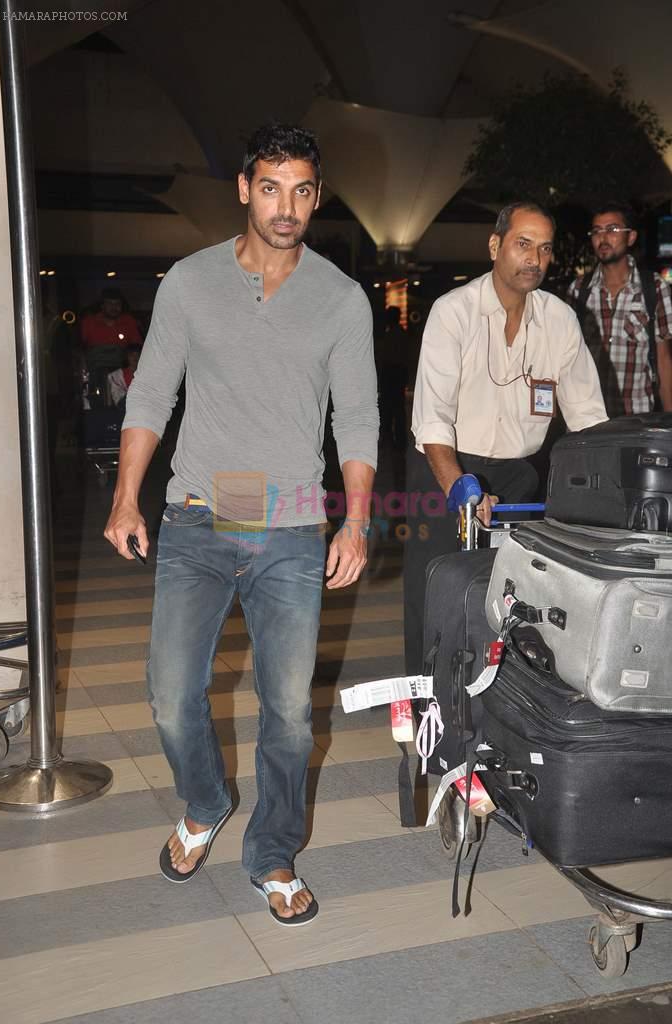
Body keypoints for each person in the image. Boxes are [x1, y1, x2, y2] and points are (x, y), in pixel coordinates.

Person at [104, 123, 378, 926]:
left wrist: (355, 523)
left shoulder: (340, 299)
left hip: (293, 522)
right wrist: (126, 494)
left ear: (316, 197)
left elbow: (357, 420)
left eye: (300, 190)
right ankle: (204, 799)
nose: (284, 206)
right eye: (270, 187)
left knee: (289, 710)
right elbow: (151, 392)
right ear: (243, 189)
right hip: (195, 516)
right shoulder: (189, 283)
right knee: (168, 695)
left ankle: (274, 852)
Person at [404, 201, 607, 675]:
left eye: (544, 248)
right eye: (522, 244)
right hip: (447, 468)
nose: (533, 258)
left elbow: (588, 420)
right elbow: (431, 417)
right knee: (434, 595)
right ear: (495, 246)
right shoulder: (453, 312)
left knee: (509, 601)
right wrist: (460, 487)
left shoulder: (559, 320)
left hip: (517, 478)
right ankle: (428, 726)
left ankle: (497, 723)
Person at [567, 202, 672, 417]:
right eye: (596, 231)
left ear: (631, 237)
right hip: (586, 420)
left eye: (612, 230)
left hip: (636, 419)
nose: (603, 238)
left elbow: (664, 361)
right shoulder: (578, 291)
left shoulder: (654, 288)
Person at [80, 288, 142, 400]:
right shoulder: (89, 322)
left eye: (118, 304)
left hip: (121, 375)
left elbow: (136, 349)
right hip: (94, 374)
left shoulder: (129, 322)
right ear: (102, 305)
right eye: (110, 303)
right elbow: (79, 350)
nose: (114, 307)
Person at [375, 305, 409, 448]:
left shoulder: (392, 334)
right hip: (396, 372)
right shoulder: (400, 333)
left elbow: (387, 356)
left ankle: (390, 436)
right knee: (396, 407)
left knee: (389, 406)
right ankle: (396, 438)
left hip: (391, 372)